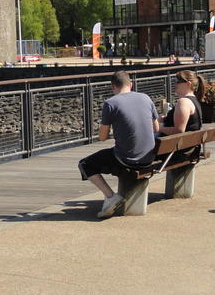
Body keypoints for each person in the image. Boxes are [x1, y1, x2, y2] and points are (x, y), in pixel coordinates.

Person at [78, 71, 160, 218]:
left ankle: (111, 197)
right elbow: (156, 128)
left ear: (113, 87)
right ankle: (111, 198)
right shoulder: (146, 98)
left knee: (85, 164)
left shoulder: (111, 103)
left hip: (127, 158)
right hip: (149, 157)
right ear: (131, 84)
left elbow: (102, 137)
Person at [159, 70, 204, 135]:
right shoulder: (193, 100)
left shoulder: (183, 102)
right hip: (187, 142)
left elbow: (179, 130)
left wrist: (158, 128)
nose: (175, 84)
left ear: (188, 84)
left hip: (174, 143)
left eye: (178, 82)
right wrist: (163, 119)